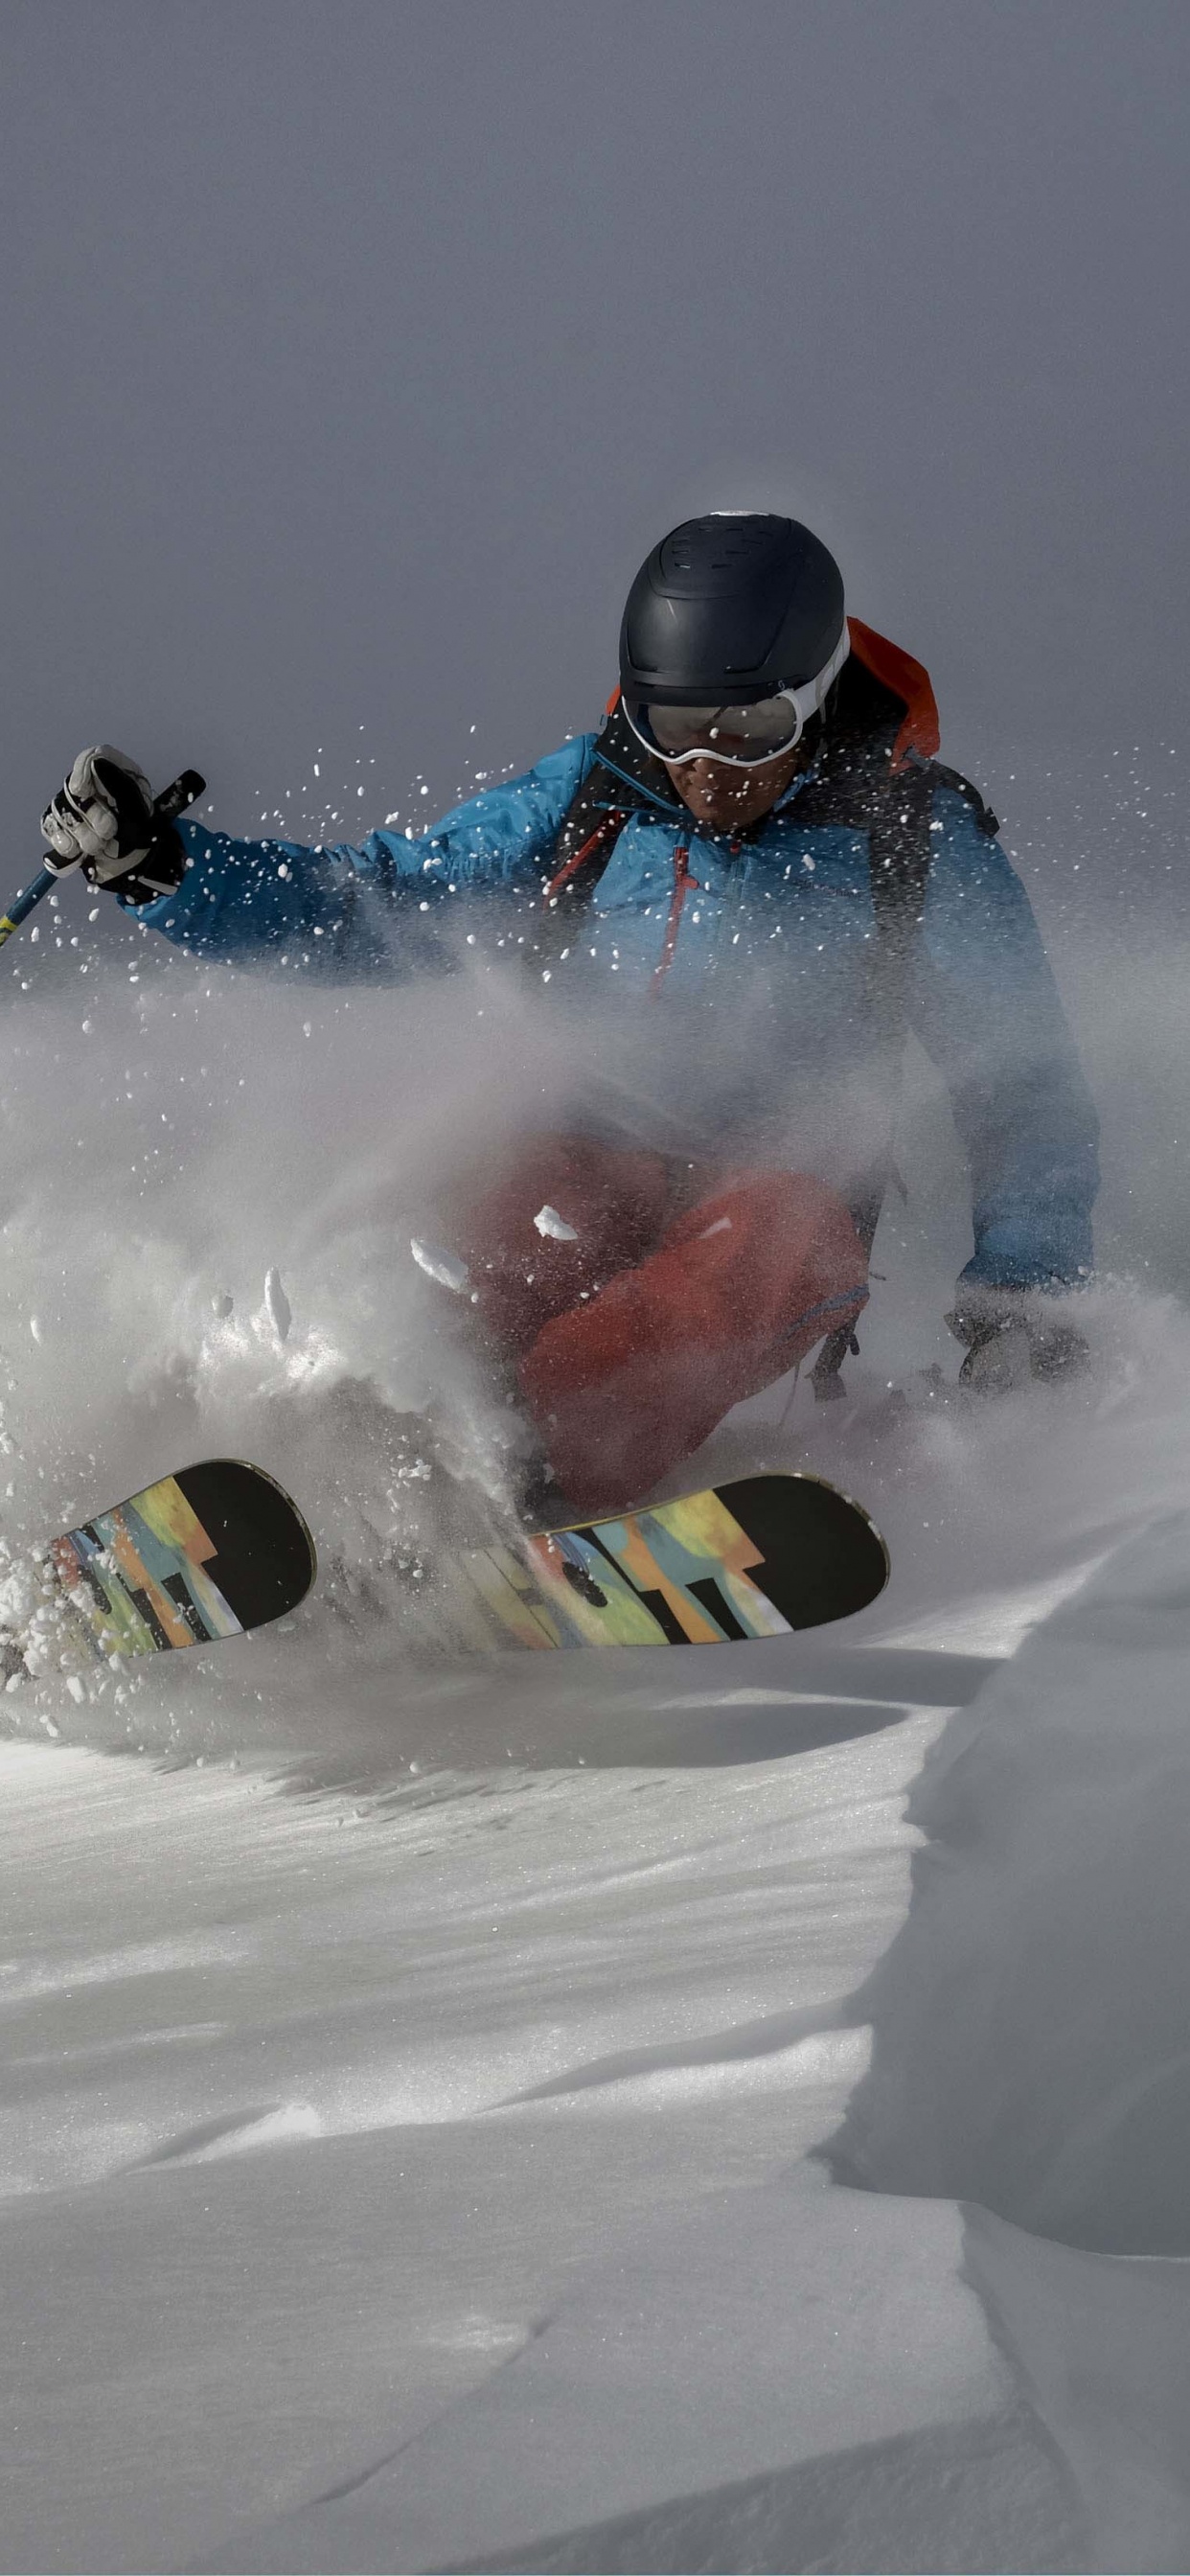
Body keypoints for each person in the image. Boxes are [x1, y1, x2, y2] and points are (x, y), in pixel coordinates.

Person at [40, 512, 1099, 1513]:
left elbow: (1020, 1086)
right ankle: (347, 1476)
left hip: (781, 1192)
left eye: (751, 731)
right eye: (676, 727)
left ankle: (519, 1493)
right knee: (484, 1251)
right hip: (591, 1150)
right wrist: (166, 869)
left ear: (816, 695)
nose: (706, 770)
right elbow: (385, 901)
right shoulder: (595, 793)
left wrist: (1024, 1305)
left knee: (749, 1262)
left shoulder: (914, 841)